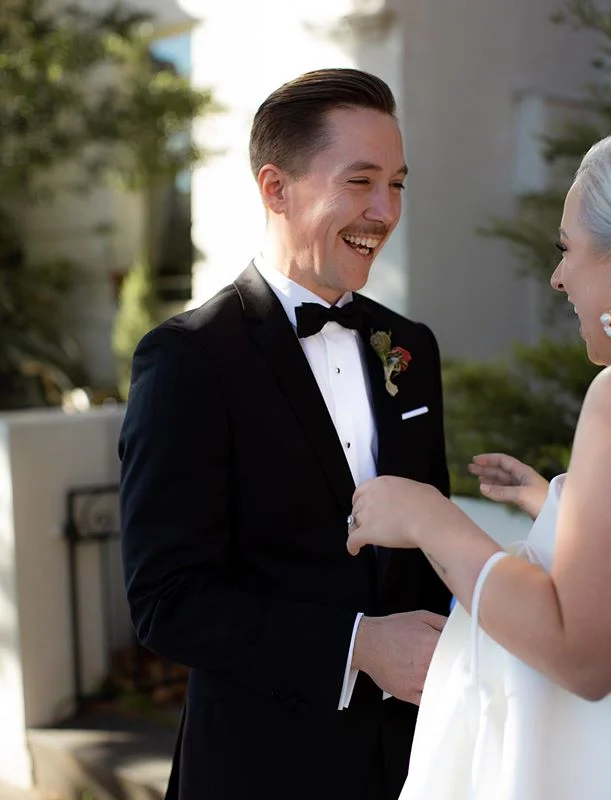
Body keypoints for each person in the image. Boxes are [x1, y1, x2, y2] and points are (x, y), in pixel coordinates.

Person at [118, 68, 451, 800]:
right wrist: (357, 646)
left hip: (413, 762)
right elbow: (167, 599)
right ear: (276, 188)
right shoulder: (188, 358)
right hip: (259, 766)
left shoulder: (410, 348)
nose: (384, 211)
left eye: (396, 184)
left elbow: (427, 547)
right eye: (360, 182)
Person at [346, 125, 611, 799]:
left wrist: (430, 519)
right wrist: (555, 503)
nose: (559, 278)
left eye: (566, 250)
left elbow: (586, 655)